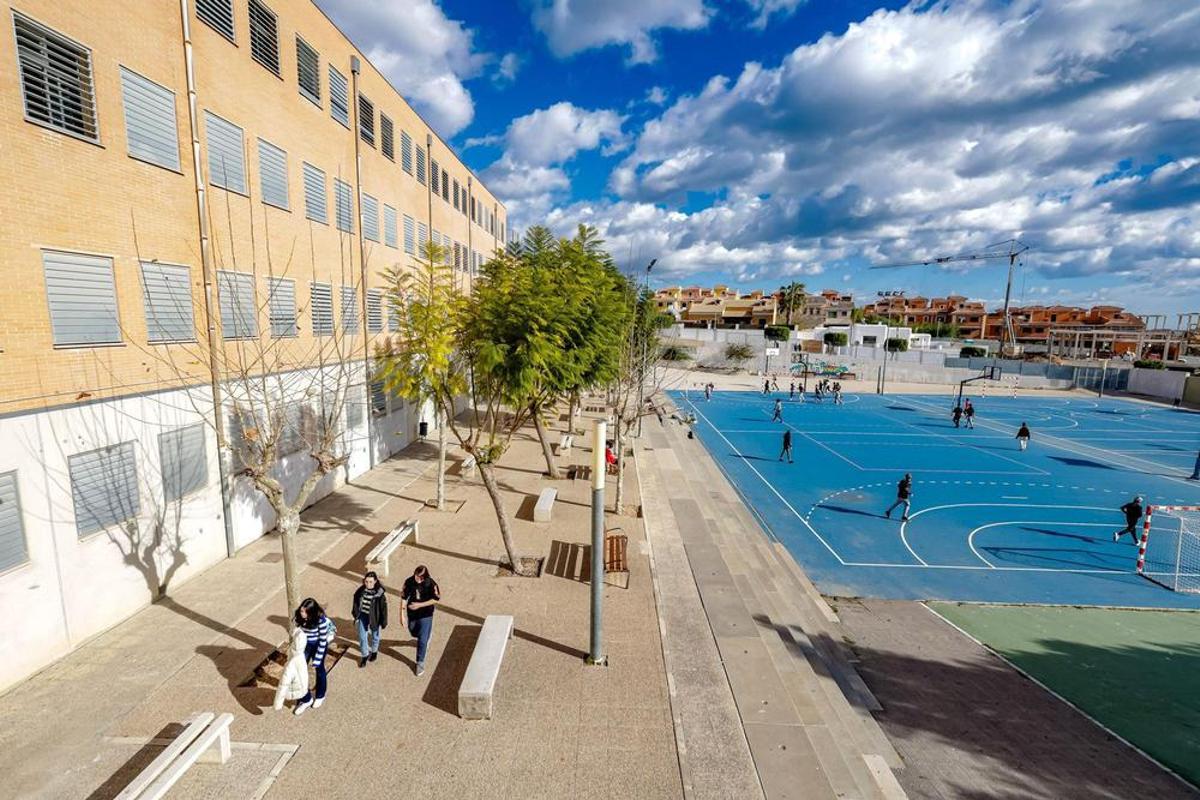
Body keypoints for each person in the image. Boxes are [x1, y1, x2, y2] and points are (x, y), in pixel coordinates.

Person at [292, 598, 333, 715]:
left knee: (319, 669)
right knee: (299, 671)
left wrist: (318, 658)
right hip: (305, 645)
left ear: (312, 612)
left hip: (318, 645)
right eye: (301, 611)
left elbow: (322, 640)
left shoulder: (321, 620)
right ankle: (306, 699)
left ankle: (320, 695)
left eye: (305, 612)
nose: (302, 613)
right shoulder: (299, 617)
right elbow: (297, 631)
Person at [402, 565, 440, 676]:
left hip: (426, 614)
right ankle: (426, 634)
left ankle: (420, 662)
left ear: (424, 577)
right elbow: (404, 598)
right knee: (413, 631)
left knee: (422, 640)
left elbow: (436, 599)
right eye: (416, 575)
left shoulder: (431, 584)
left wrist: (420, 605)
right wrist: (402, 615)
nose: (417, 578)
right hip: (412, 613)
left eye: (420, 577)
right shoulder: (409, 582)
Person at [352, 571, 387, 667]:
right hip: (363, 615)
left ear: (375, 581)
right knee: (362, 637)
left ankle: (374, 651)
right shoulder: (360, 591)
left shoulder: (380, 595)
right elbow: (355, 601)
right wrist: (355, 614)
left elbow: (383, 609)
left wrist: (383, 621)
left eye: (371, 582)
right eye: (366, 582)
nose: (368, 584)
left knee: (375, 636)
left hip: (375, 617)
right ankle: (364, 656)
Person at [273, 624, 310, 712]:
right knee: (303, 688)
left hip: (295, 688)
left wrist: (277, 703)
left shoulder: (292, 663)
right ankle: (306, 699)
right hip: (302, 683)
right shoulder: (301, 656)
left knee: (301, 691)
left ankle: (306, 701)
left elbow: (283, 684)